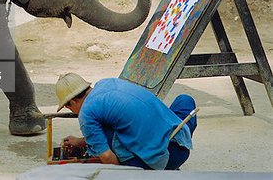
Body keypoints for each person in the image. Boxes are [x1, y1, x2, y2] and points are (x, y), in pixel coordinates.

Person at [56, 73, 197, 170]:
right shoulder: (108, 82)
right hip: (180, 141)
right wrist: (80, 141)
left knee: (101, 148)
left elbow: (107, 156)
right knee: (184, 100)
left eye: (68, 107)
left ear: (71, 102)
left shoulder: (86, 114)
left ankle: (156, 167)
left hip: (166, 157)